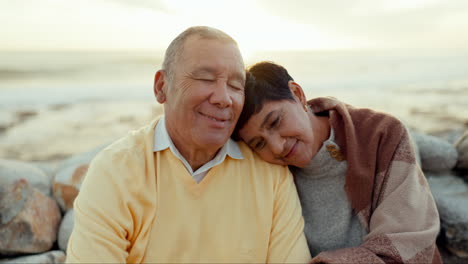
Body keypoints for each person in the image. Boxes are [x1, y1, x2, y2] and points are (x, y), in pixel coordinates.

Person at [65, 27, 311, 263]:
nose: (224, 98)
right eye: (206, 78)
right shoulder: (115, 171)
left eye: (236, 86)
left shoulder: (270, 174)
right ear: (162, 87)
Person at [233, 61, 442, 263]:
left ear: (297, 94)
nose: (277, 147)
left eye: (276, 122)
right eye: (259, 144)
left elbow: (407, 242)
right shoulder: (268, 173)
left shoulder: (381, 134)